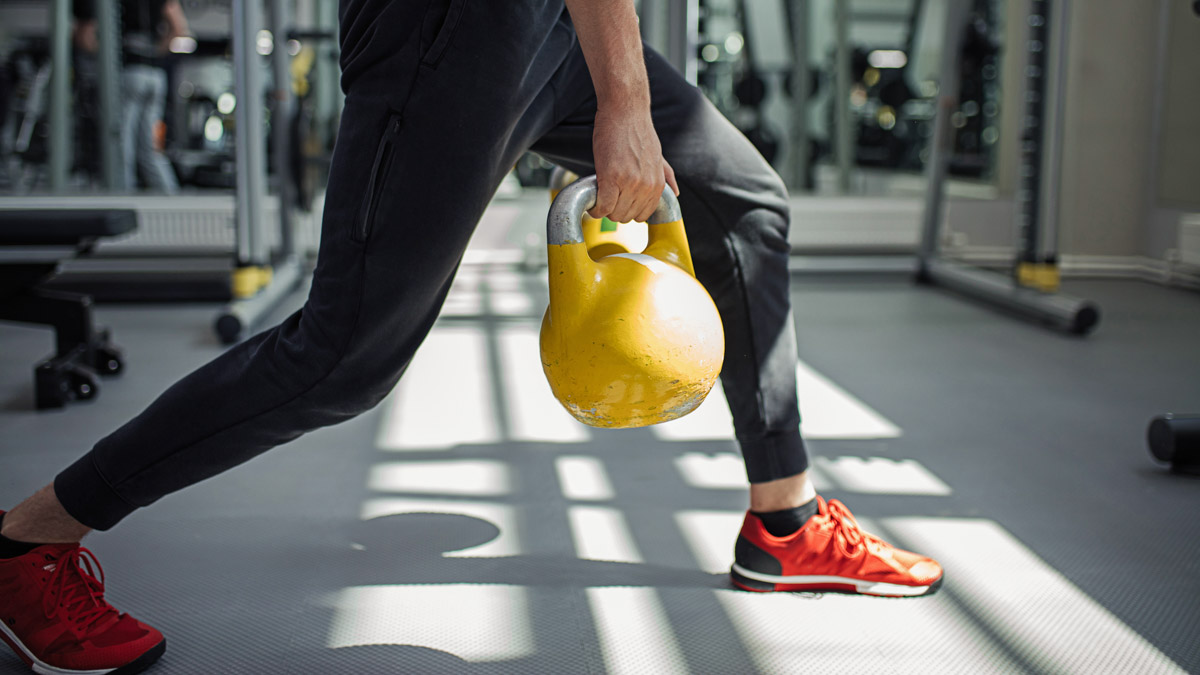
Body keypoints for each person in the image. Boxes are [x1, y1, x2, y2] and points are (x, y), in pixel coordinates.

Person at [0, 1, 944, 672]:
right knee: (343, 358)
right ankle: (28, 542)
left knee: (743, 206)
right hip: (452, 28)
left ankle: (783, 524)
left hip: (557, 26)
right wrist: (623, 104)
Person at [73, 0, 188, 193]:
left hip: (129, 73)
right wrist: (154, 52)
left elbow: (84, 36)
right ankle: (171, 198)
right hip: (155, 75)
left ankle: (124, 198)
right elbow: (178, 28)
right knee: (151, 149)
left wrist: (109, 56)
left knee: (121, 144)